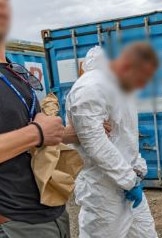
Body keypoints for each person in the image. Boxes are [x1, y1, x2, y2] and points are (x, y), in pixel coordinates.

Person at [0, 0, 77, 237]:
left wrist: (72, 134)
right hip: (15, 223)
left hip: (51, 213)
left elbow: (21, 135)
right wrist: (37, 132)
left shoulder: (14, 72)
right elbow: (33, 133)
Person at [66, 43, 159, 238]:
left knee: (145, 233)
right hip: (102, 191)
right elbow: (94, 142)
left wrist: (136, 169)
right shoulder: (89, 87)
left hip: (126, 182)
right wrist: (128, 180)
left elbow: (126, 135)